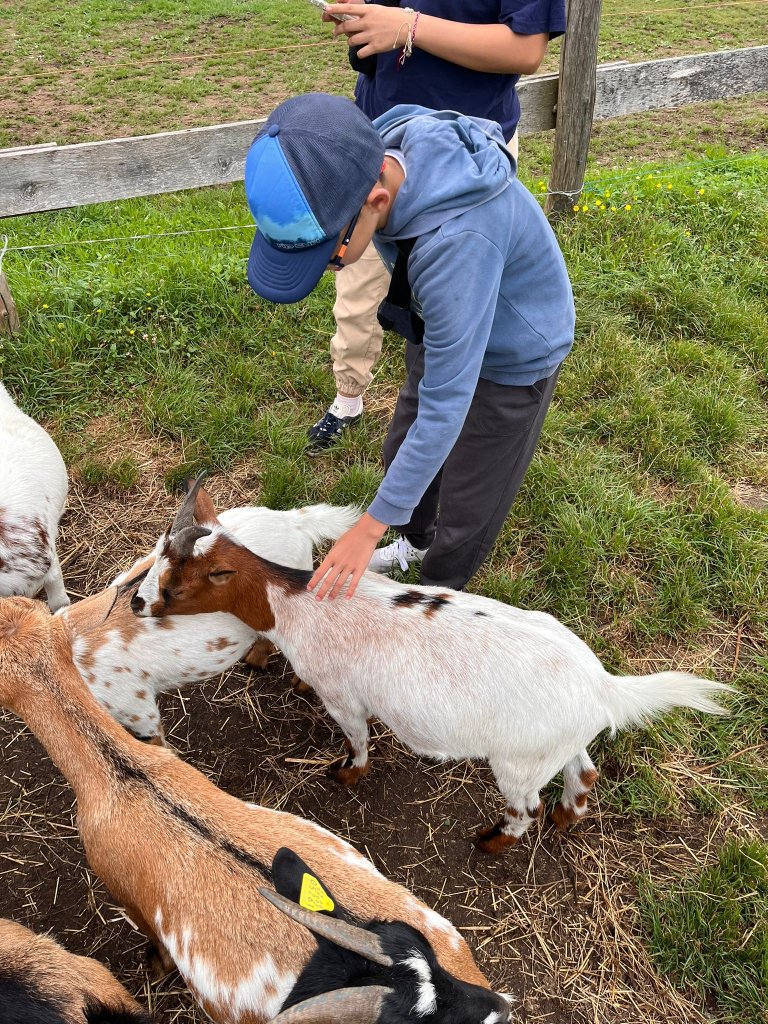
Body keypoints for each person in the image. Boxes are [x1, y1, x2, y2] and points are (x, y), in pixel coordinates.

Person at [244, 93, 575, 598]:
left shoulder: (457, 243)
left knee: (470, 496)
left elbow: (445, 407)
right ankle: (416, 543)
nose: (329, 268)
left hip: (513, 354)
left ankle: (439, 594)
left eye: (330, 255)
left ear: (377, 203)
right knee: (401, 446)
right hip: (441, 319)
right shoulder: (371, 154)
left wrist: (367, 529)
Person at [306, 0, 566, 456]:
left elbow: (526, 49)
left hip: (466, 159)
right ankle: (349, 397)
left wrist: (409, 26)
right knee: (357, 283)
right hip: (384, 140)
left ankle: (459, 413)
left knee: (458, 302)